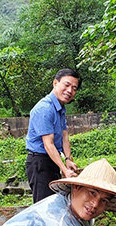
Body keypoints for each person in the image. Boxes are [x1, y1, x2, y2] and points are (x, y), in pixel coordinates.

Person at [25, 69, 81, 203]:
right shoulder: (45, 109)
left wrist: (67, 159)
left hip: (52, 161)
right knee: (44, 207)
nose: (69, 91)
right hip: (40, 163)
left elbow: (64, 135)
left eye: (74, 88)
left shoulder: (60, 108)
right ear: (55, 83)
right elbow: (48, 144)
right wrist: (64, 170)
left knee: (55, 205)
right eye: (66, 85)